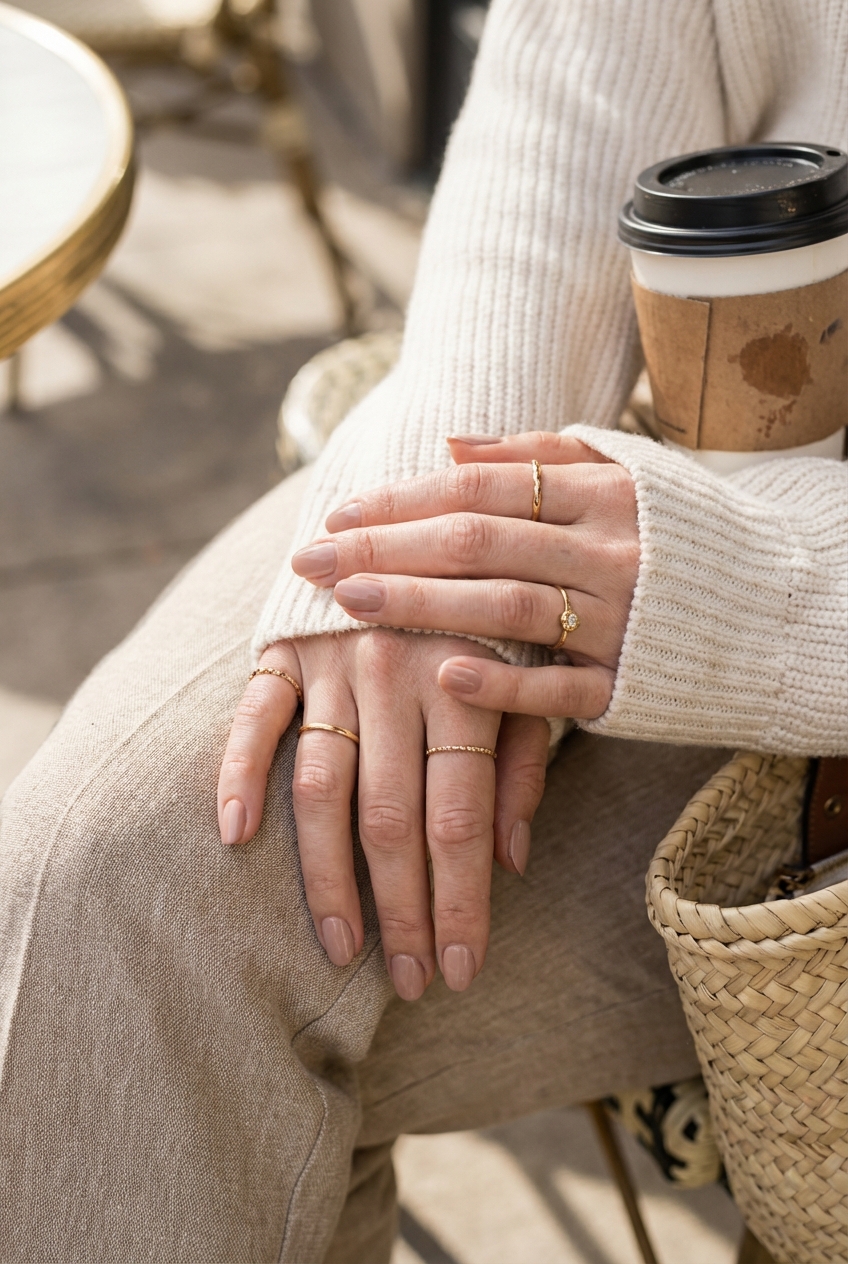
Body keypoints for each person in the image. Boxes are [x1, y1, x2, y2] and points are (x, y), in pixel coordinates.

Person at [1, 1, 845, 1261]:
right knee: (118, 901)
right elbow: (580, 76)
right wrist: (436, 520)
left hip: (791, 588)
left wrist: (775, 595)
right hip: (695, 434)